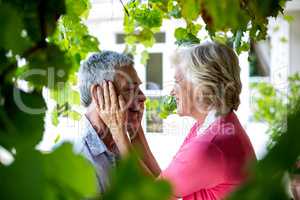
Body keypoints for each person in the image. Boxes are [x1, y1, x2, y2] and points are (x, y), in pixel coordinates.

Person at [93, 41, 257, 199]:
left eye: (178, 82)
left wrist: (117, 131)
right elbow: (164, 186)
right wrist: (135, 130)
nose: (172, 91)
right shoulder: (213, 125)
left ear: (202, 86)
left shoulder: (207, 148)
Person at [75, 51, 160, 193]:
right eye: (129, 89)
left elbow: (163, 192)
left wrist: (134, 132)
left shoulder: (121, 144)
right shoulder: (79, 158)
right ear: (99, 94)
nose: (143, 97)